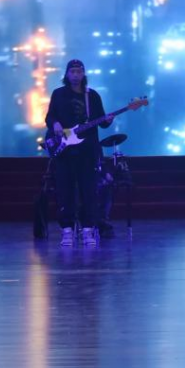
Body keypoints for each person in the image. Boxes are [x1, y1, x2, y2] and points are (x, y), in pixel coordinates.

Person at [46, 59, 111, 247]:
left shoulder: (92, 96)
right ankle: (67, 230)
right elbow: (49, 117)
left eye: (79, 71)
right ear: (67, 74)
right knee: (65, 190)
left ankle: (87, 229)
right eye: (72, 71)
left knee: (88, 190)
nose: (76, 75)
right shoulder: (58, 94)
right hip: (64, 152)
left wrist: (108, 120)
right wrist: (55, 124)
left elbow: (102, 121)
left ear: (84, 74)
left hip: (87, 151)